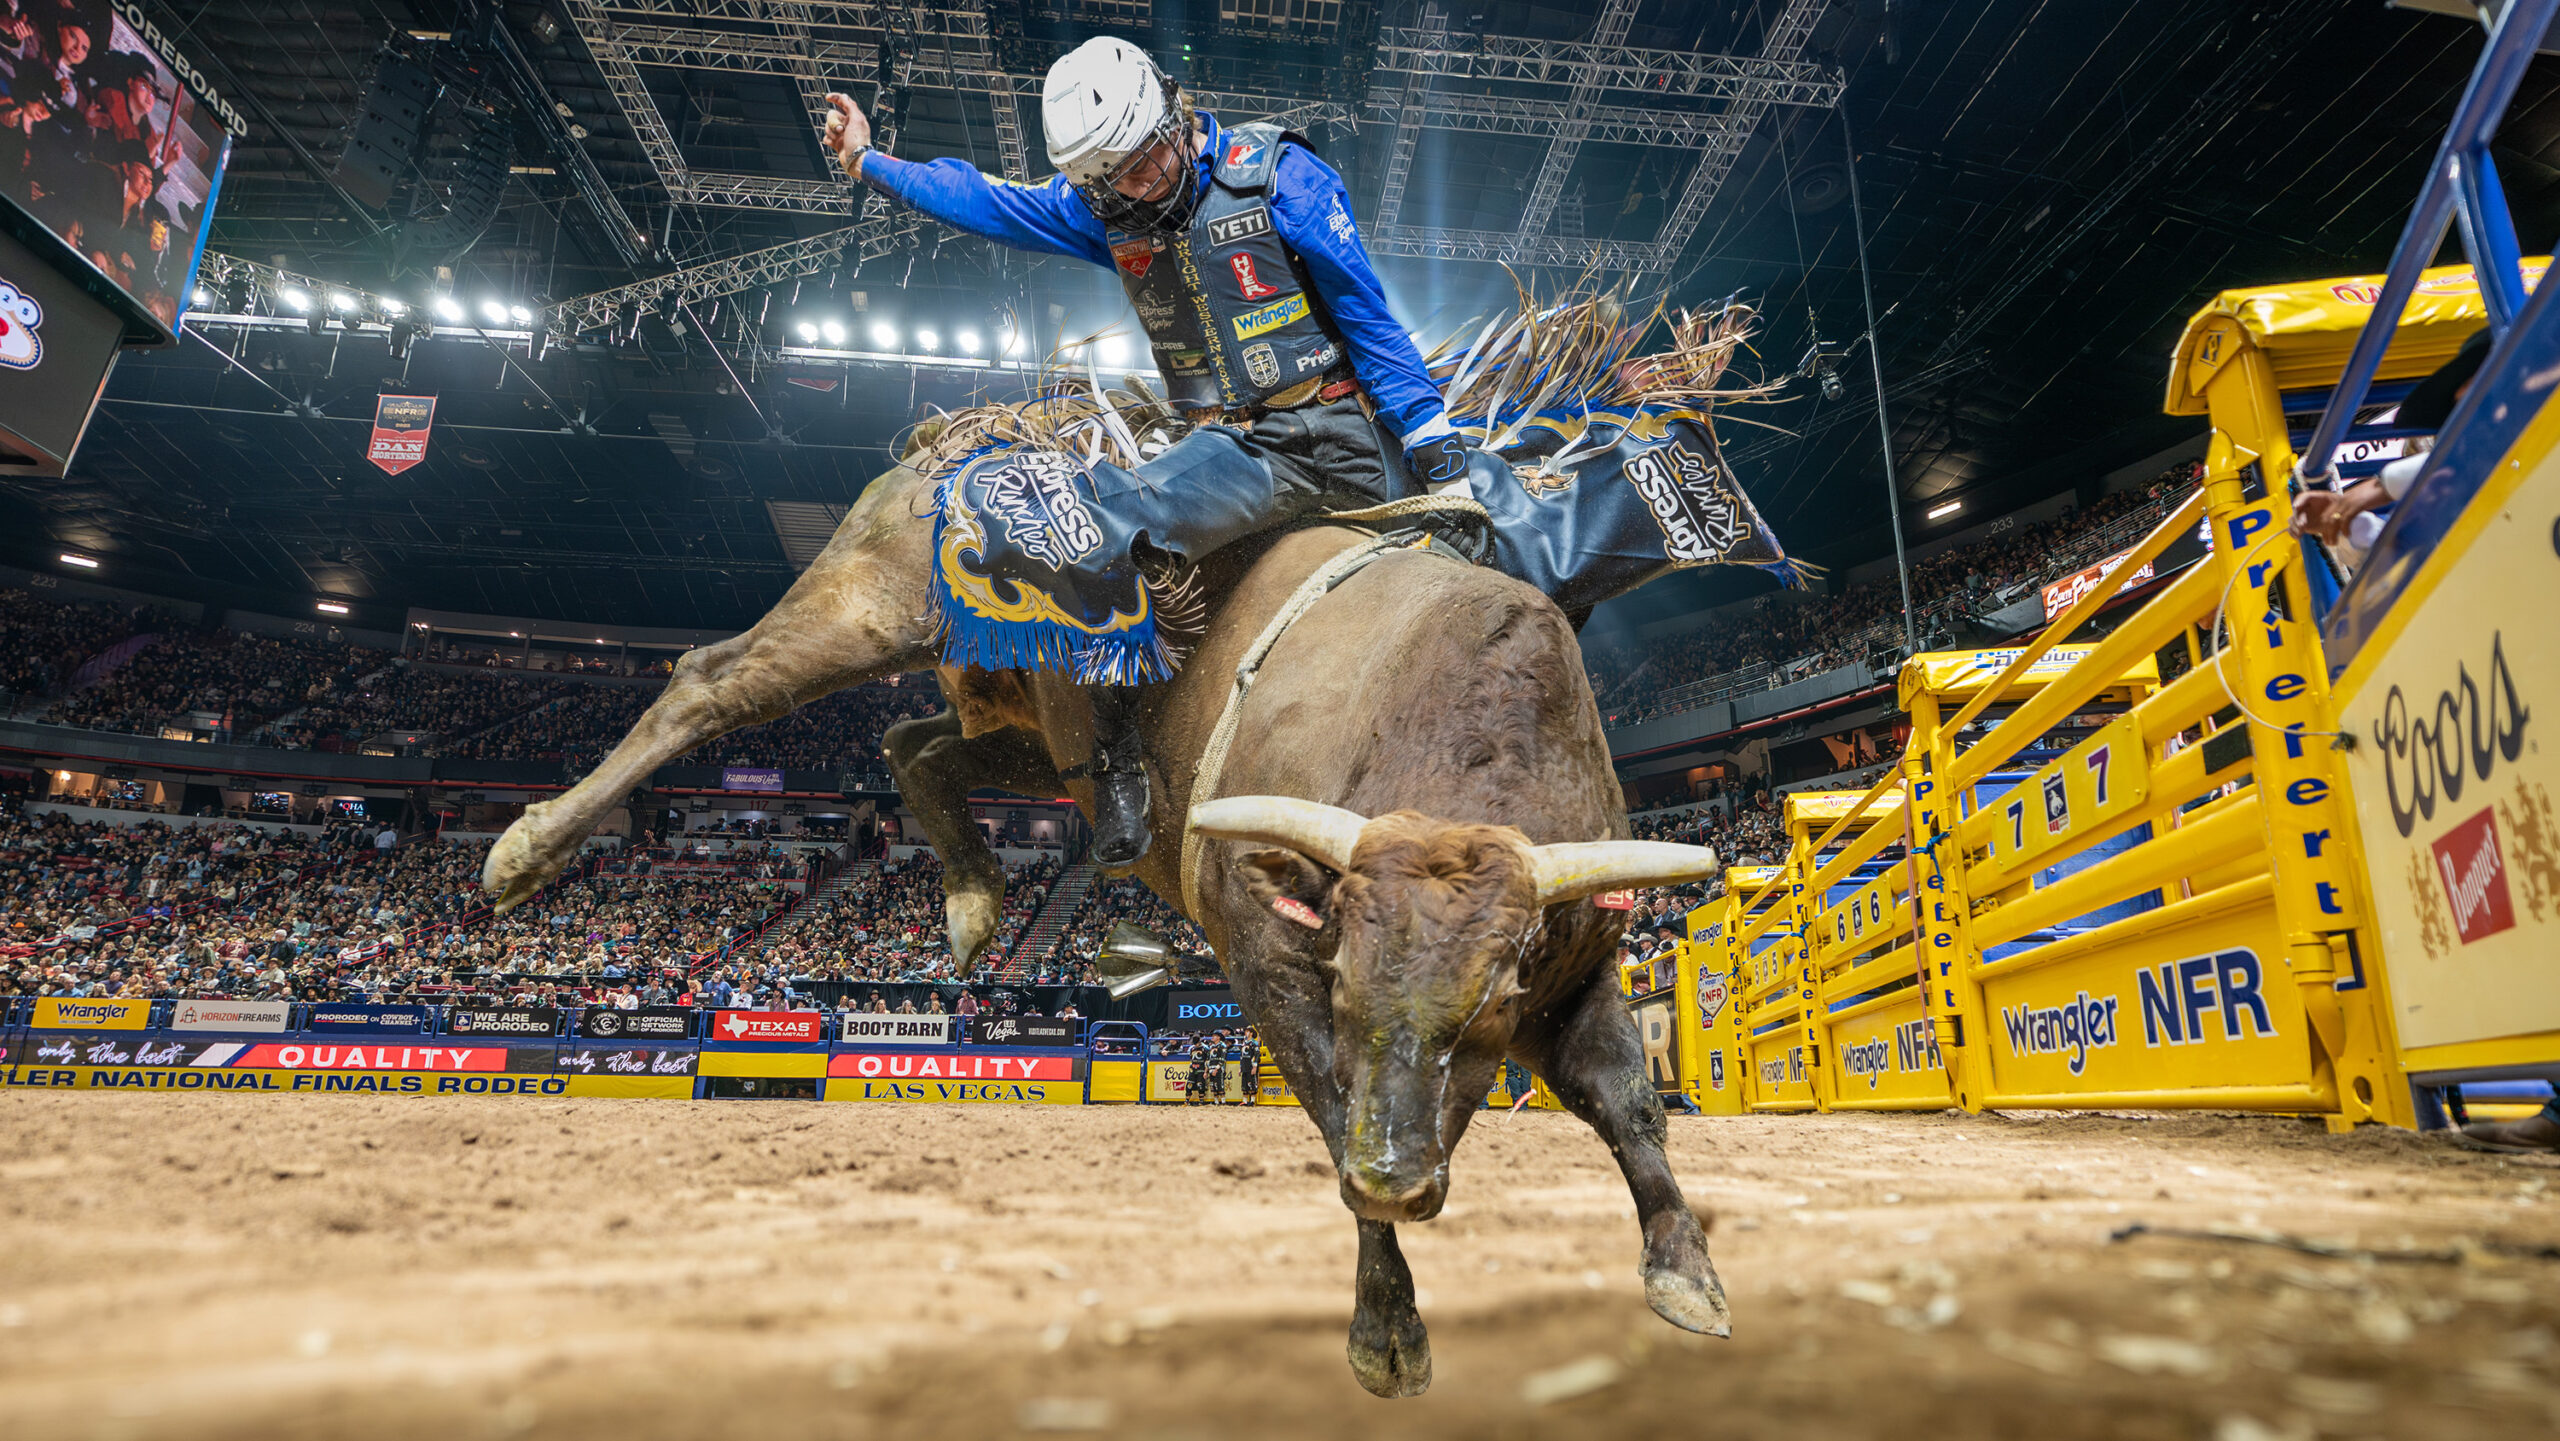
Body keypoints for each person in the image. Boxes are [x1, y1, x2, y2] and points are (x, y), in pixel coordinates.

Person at [820, 37, 1477, 866]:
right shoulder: (1104, 214)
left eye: (1149, 159)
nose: (1143, 182)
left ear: (1175, 108)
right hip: (1248, 449)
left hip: (1351, 426)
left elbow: (1369, 315)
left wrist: (1441, 458)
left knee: (1506, 550)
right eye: (1117, 178)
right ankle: (1117, 751)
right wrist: (871, 161)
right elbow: (986, 199)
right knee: (1100, 525)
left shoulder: (1279, 176)